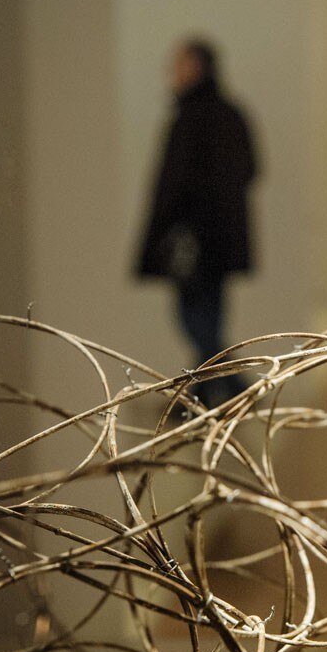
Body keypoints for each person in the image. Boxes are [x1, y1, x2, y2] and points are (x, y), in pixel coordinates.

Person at [137, 38, 256, 403]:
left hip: (191, 239)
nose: (172, 72)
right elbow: (252, 169)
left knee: (194, 316)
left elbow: (174, 184)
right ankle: (217, 389)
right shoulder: (230, 114)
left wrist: (167, 226)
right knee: (209, 315)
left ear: (199, 67)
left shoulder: (190, 118)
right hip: (219, 238)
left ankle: (222, 386)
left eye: (180, 64)